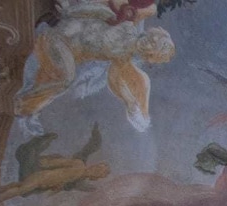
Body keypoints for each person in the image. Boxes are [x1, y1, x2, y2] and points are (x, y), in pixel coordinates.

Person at [15, 2, 175, 133]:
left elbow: (116, 82)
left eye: (153, 46)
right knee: (65, 79)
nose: (149, 42)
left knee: (62, 79)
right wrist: (68, 11)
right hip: (62, 33)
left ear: (150, 55)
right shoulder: (127, 24)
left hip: (64, 48)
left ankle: (25, 107)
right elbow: (99, 11)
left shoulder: (123, 57)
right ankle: (23, 105)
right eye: (154, 39)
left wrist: (131, 104)